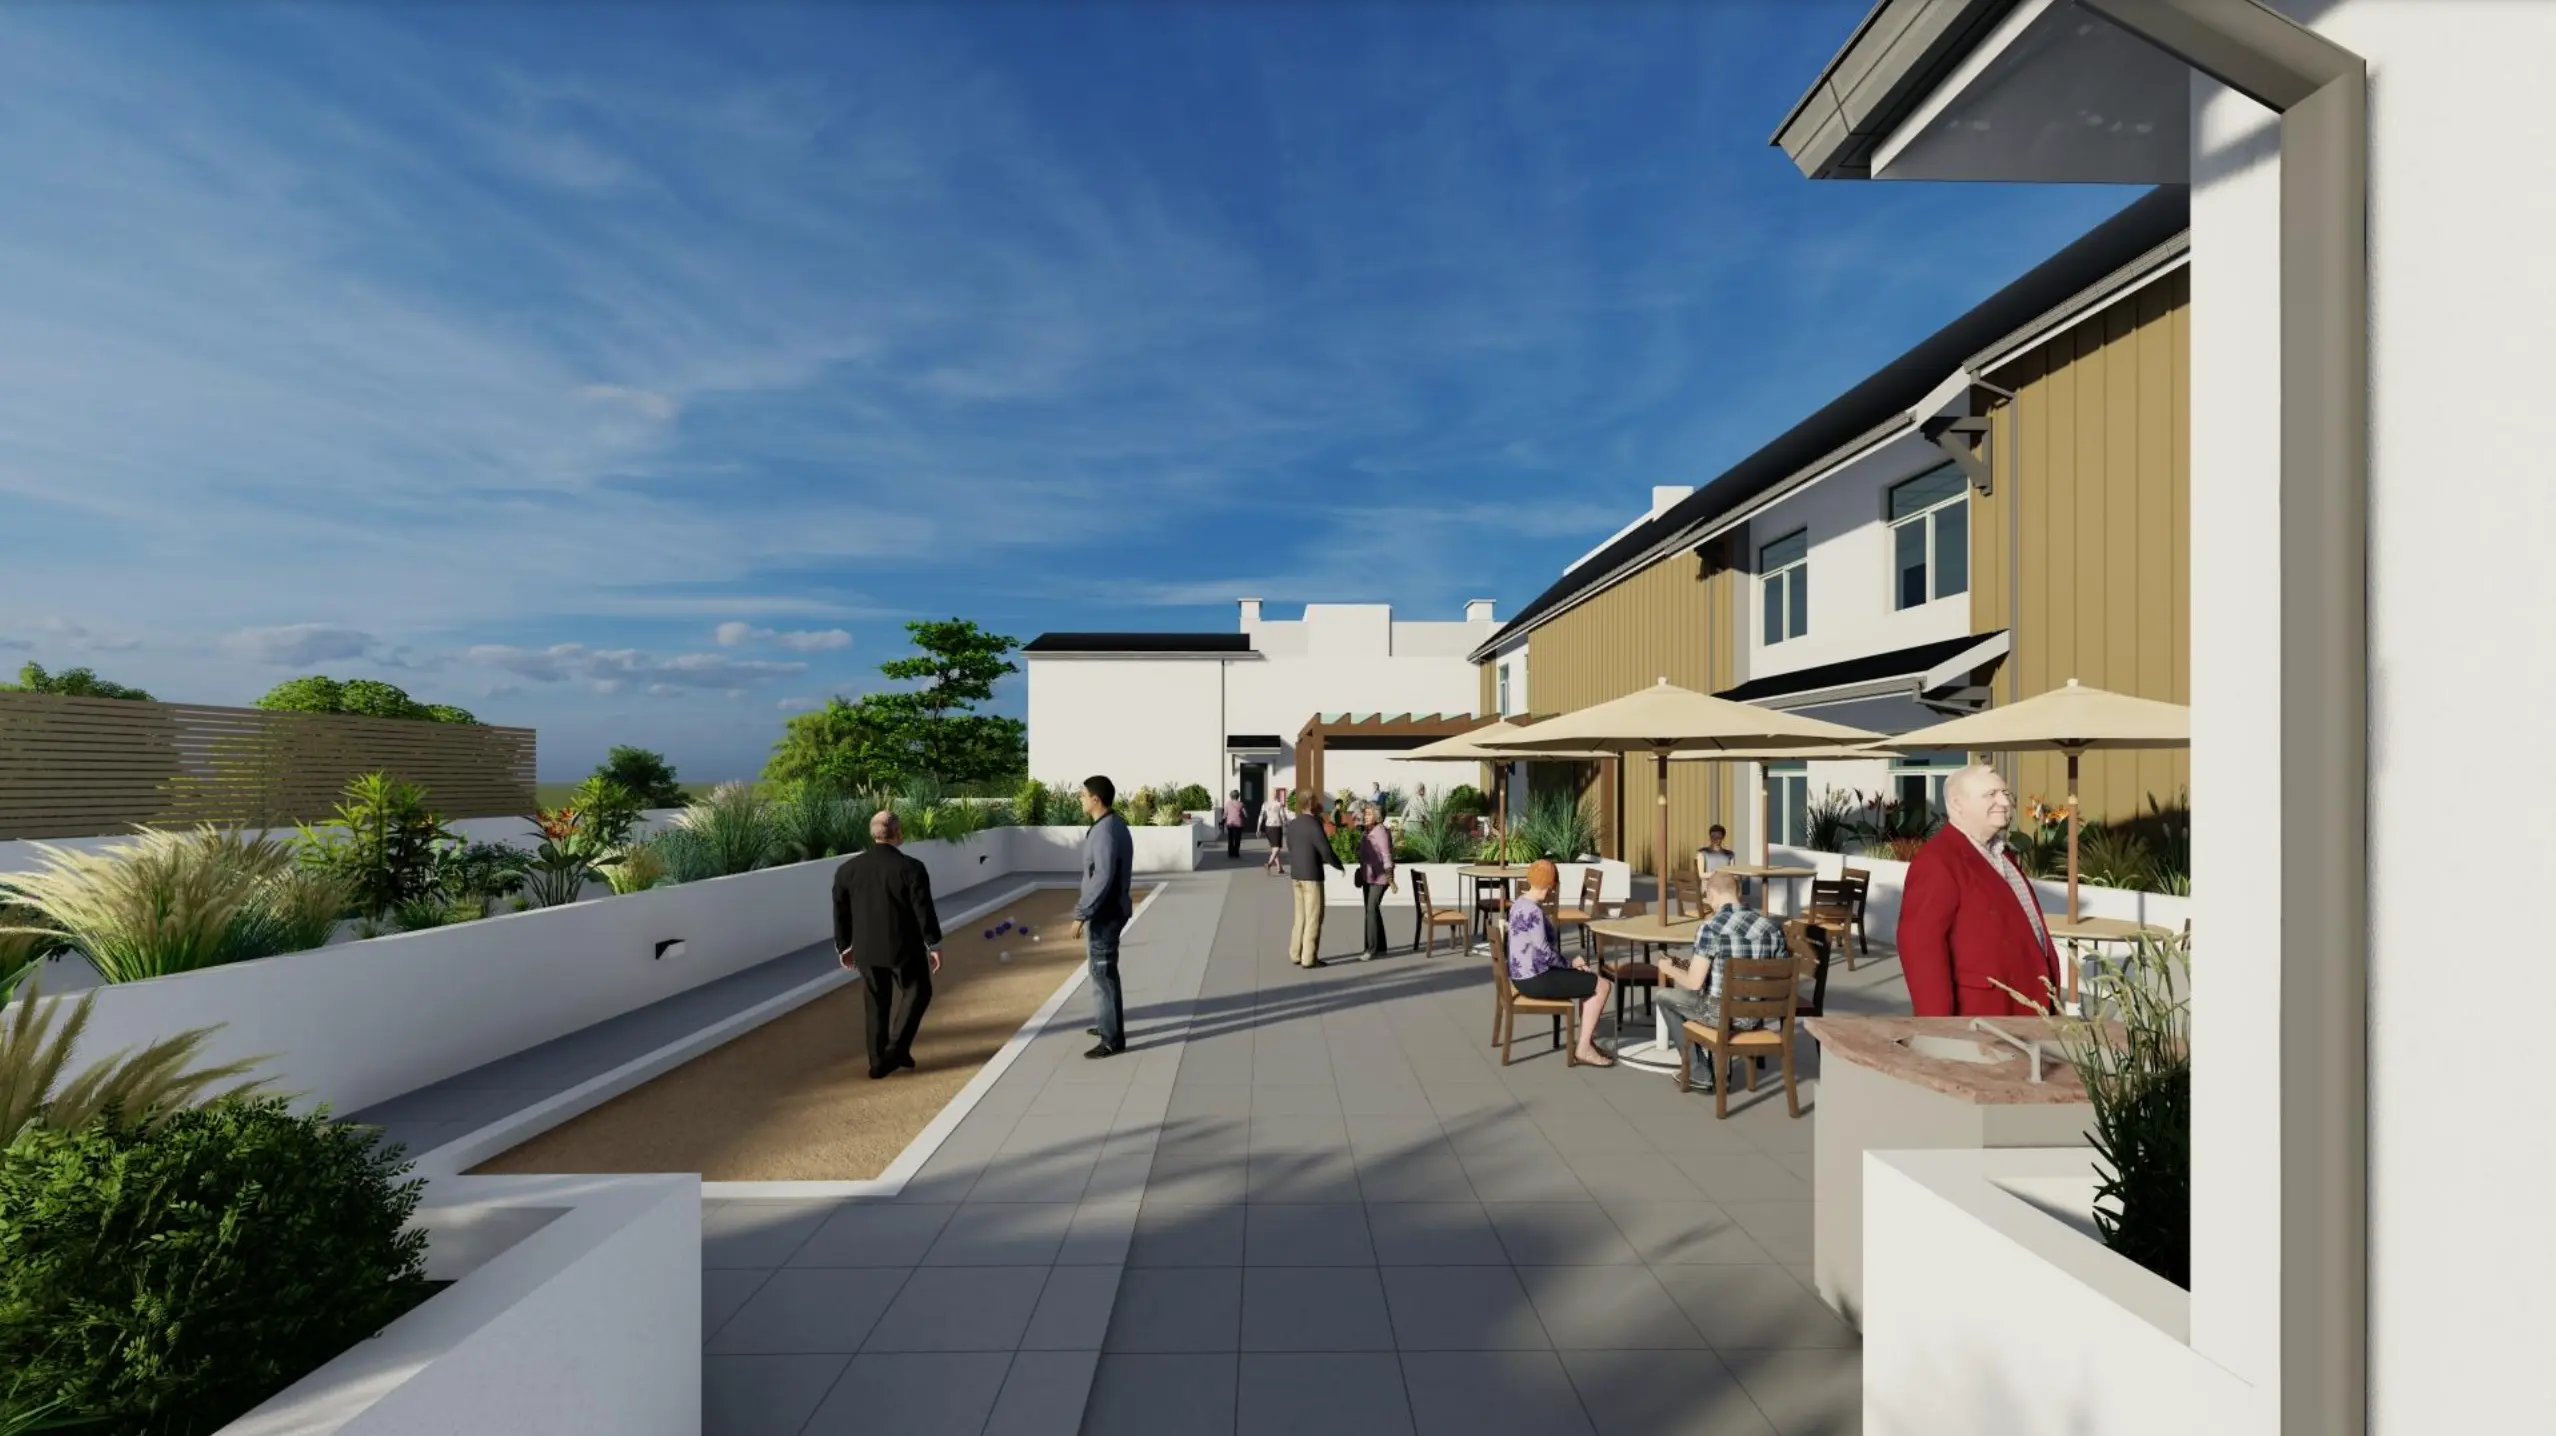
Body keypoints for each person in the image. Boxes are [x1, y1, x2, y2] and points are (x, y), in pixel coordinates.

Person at [1897, 765, 2059, 1017]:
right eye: (1991, 794)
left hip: (2026, 1012)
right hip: (1985, 1016)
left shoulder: (2002, 854)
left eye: (2006, 793)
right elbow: (1921, 950)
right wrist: (1937, 1027)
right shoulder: (1938, 861)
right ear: (1957, 803)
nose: (2005, 802)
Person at [831, 810, 943, 1080]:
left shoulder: (848, 870)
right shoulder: (912, 868)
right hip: (905, 947)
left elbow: (840, 912)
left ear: (873, 834)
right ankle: (894, 1051)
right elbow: (923, 910)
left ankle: (878, 1062)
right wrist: (934, 943)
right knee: (918, 990)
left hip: (867, 950)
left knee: (876, 1004)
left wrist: (844, 947)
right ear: (898, 834)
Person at [1655, 868, 1786, 1091]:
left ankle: (1699, 1071)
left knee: (1664, 996)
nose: (1708, 902)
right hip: (1757, 1015)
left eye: (1707, 897)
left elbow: (1695, 983)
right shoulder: (1772, 927)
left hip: (1720, 1013)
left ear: (1712, 894)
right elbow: (1780, 976)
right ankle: (1713, 1067)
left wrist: (1668, 969)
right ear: (1739, 894)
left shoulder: (1711, 928)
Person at [1507, 858, 1614, 1066]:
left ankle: (1587, 1042)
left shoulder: (1518, 904)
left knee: (1586, 980)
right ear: (1550, 886)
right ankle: (1584, 1048)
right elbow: (1545, 952)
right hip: (1537, 978)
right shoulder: (1534, 912)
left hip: (1522, 976)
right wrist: (1570, 964)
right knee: (1602, 985)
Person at [1072, 775, 1136, 1057]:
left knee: (1102, 972)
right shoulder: (1114, 825)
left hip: (1105, 914)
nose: (1081, 800)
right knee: (1101, 971)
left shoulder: (1106, 831)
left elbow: (1103, 876)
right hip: (1109, 910)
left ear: (1096, 799)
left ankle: (1111, 1039)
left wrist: (1081, 914)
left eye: (1083, 795)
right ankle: (1106, 1022)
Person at [1283, 790, 1343, 968]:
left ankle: (1295, 953)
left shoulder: (1293, 824)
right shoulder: (1314, 824)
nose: (1318, 804)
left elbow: (1291, 846)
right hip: (1312, 876)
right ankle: (1309, 958)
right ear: (1310, 803)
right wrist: (1338, 865)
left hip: (1296, 875)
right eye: (1316, 801)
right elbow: (1325, 851)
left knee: (1299, 916)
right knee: (1313, 918)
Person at [1356, 802, 1396, 960]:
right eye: (1365, 814)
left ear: (1377, 817)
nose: (1365, 816)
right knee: (1372, 909)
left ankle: (1371, 949)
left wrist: (1390, 877)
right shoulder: (1367, 832)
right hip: (1368, 875)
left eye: (1369, 814)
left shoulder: (1380, 832)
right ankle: (1381, 946)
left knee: (1371, 909)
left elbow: (1386, 855)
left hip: (1380, 877)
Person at [1261, 788, 1289, 873]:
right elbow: (1283, 815)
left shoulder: (1265, 804)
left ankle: (1279, 868)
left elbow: (1261, 816)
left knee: (1274, 847)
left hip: (1268, 826)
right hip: (1276, 826)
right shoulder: (1278, 804)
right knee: (1277, 848)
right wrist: (1285, 823)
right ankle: (1269, 864)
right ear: (1275, 794)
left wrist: (1258, 828)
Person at [1223, 789, 1248, 861]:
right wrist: (1245, 816)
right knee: (1237, 839)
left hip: (1230, 823)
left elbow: (1225, 814)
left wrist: (1223, 820)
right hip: (1238, 824)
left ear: (1231, 796)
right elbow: (1245, 814)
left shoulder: (1227, 804)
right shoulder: (1241, 804)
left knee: (1230, 838)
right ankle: (1236, 853)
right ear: (1238, 796)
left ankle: (1230, 853)